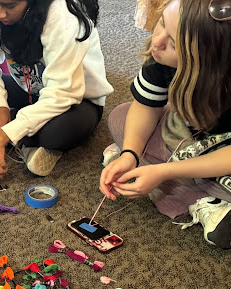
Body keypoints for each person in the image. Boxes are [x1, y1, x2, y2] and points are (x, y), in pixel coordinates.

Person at [99, 0, 231, 248]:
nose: (157, 41)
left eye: (173, 44)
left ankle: (188, 191)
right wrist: (130, 154)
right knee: (120, 117)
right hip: (189, 135)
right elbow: (145, 106)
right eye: (161, 23)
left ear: (210, 61)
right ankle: (197, 192)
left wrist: (164, 172)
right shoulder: (160, 55)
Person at [0, 0, 113, 179]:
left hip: (77, 100)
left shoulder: (64, 14)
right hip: (29, 89)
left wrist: (4, 134)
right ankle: (27, 138)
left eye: (10, 6)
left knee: (58, 133)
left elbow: (63, 92)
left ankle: (14, 135)